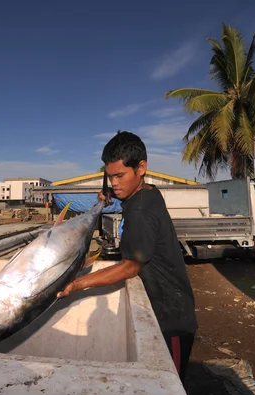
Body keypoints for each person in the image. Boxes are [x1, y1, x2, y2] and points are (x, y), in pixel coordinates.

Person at [57, 131, 198, 381]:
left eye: (120, 176)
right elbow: (130, 197)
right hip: (167, 305)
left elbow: (130, 267)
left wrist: (76, 284)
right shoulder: (148, 193)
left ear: (141, 167)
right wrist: (111, 198)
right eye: (110, 177)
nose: (114, 183)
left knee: (170, 384)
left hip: (172, 317)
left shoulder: (141, 211)